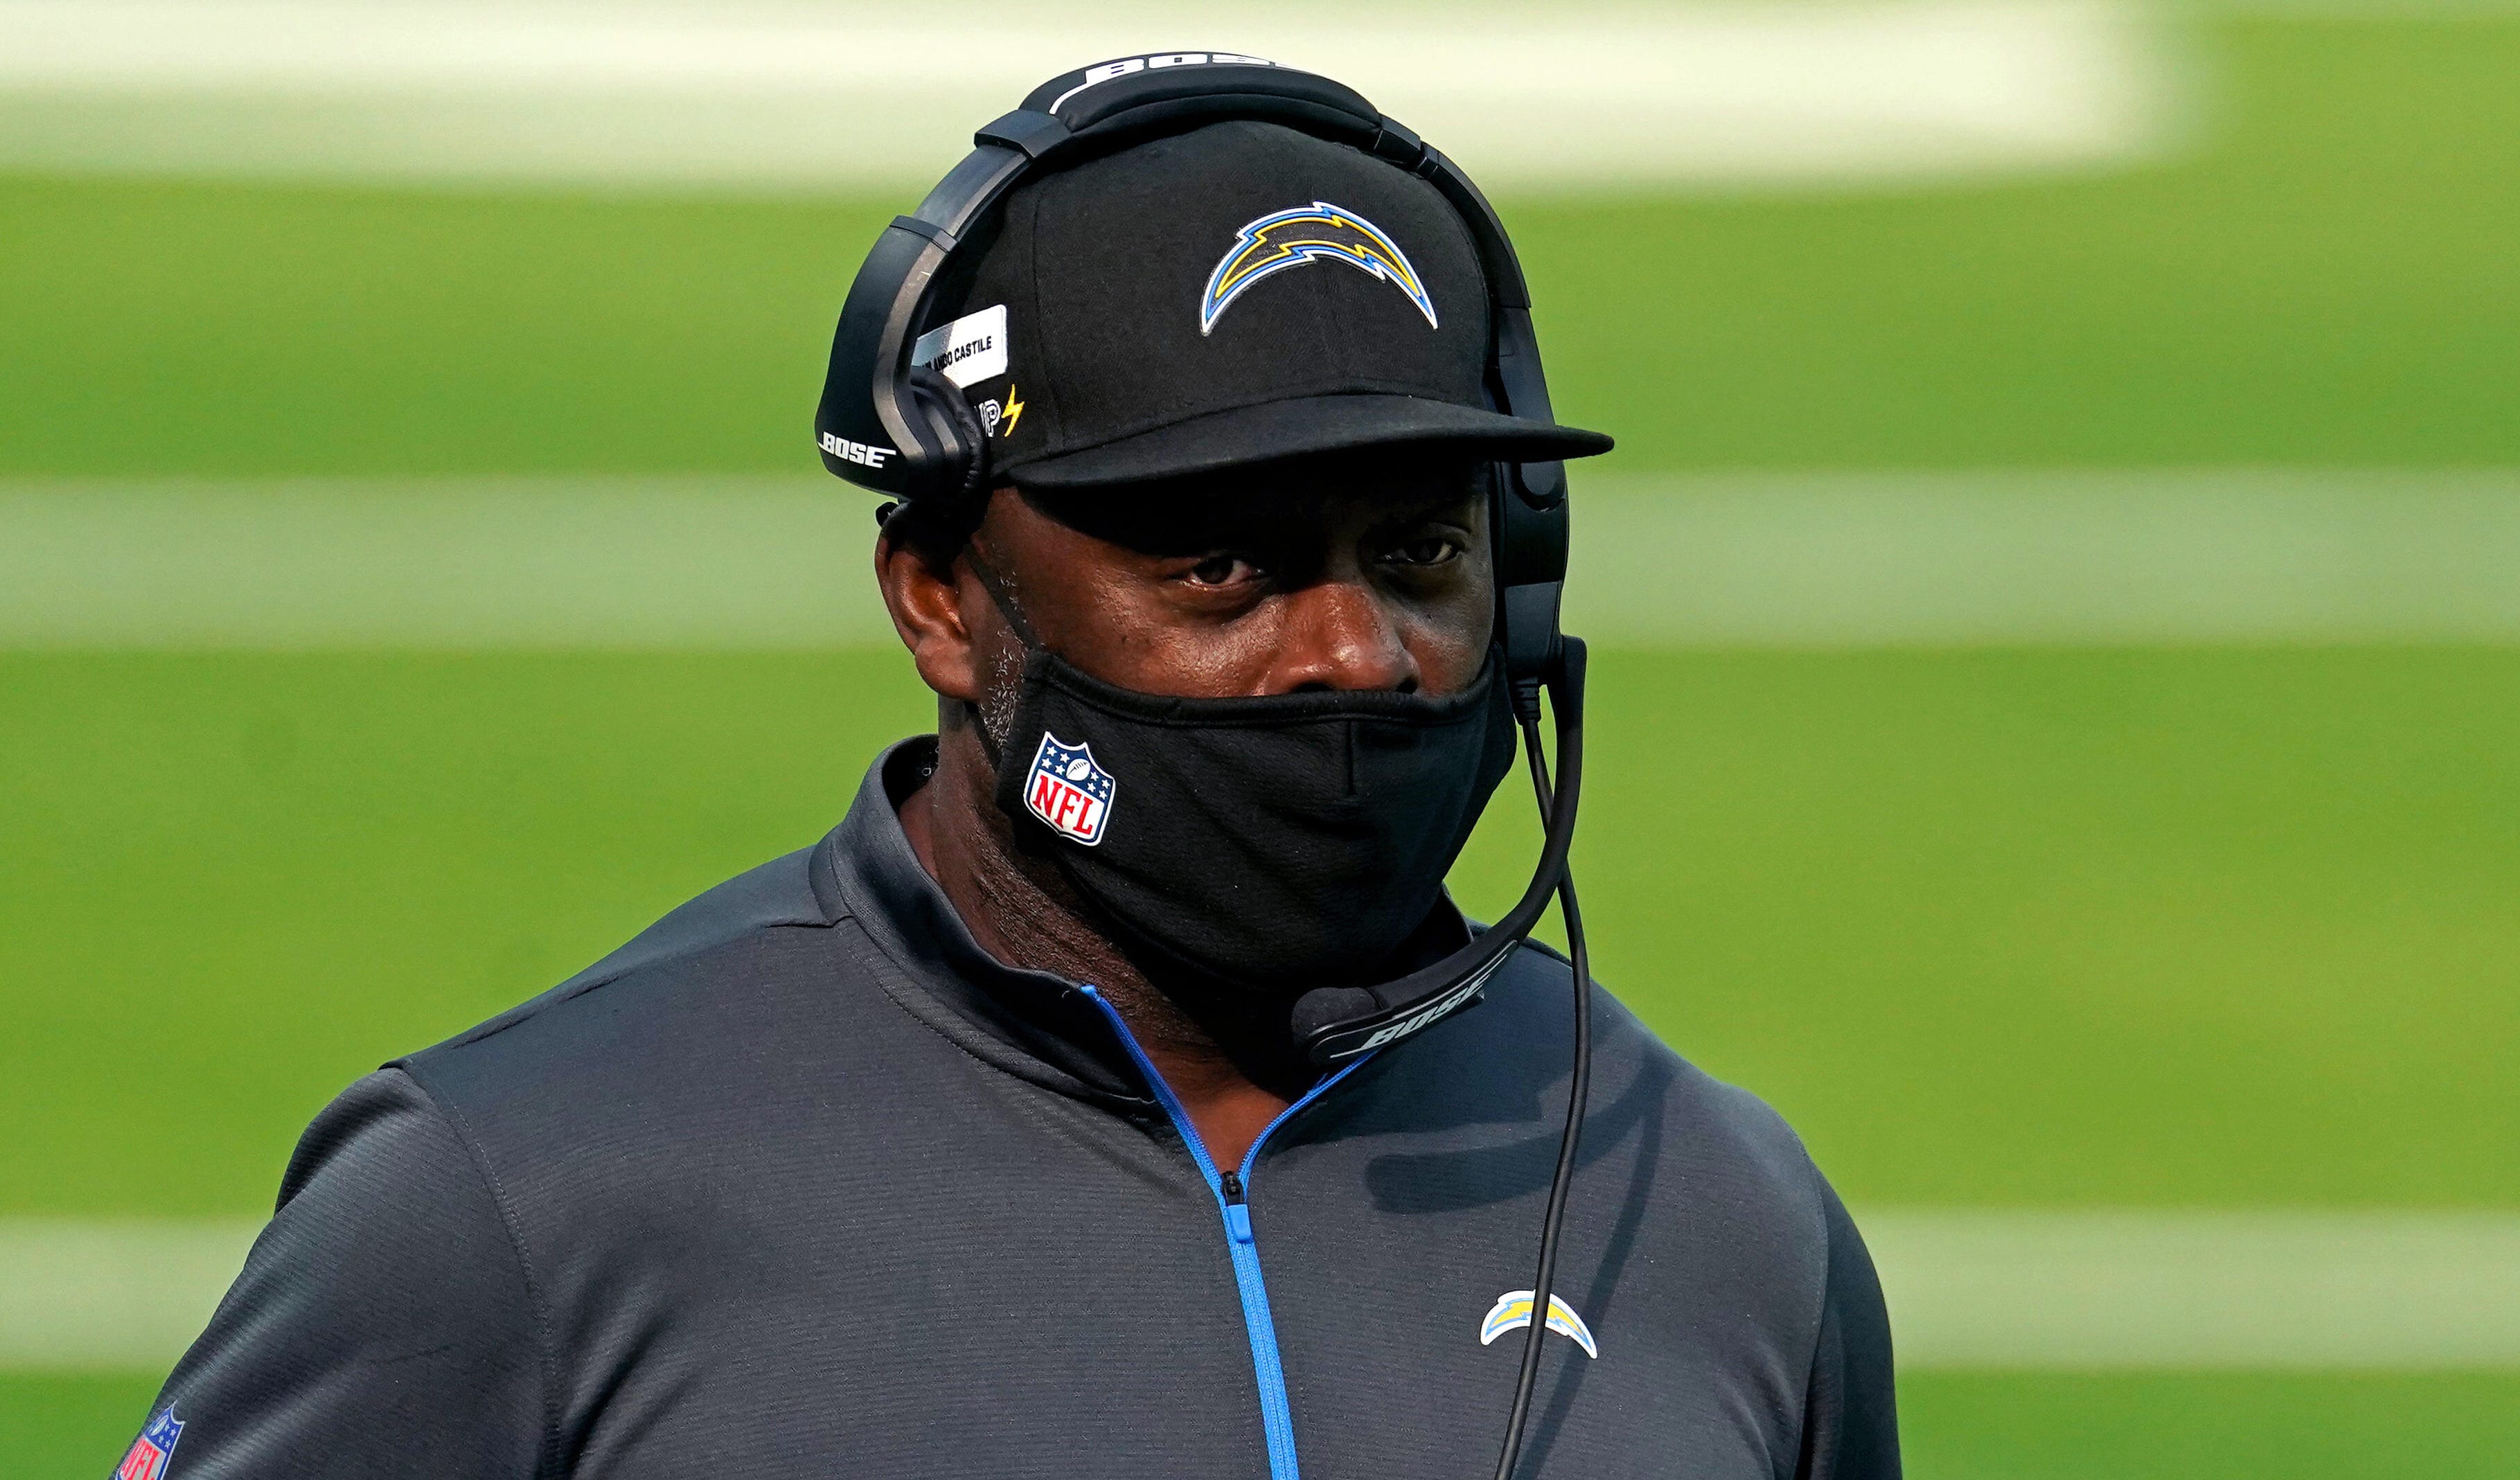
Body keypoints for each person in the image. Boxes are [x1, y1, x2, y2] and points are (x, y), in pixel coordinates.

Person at [119, 60, 1898, 1480]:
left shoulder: (1719, 1210)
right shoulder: (506, 1203)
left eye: (1421, 550)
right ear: (943, 603)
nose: (1352, 652)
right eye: (1223, 567)